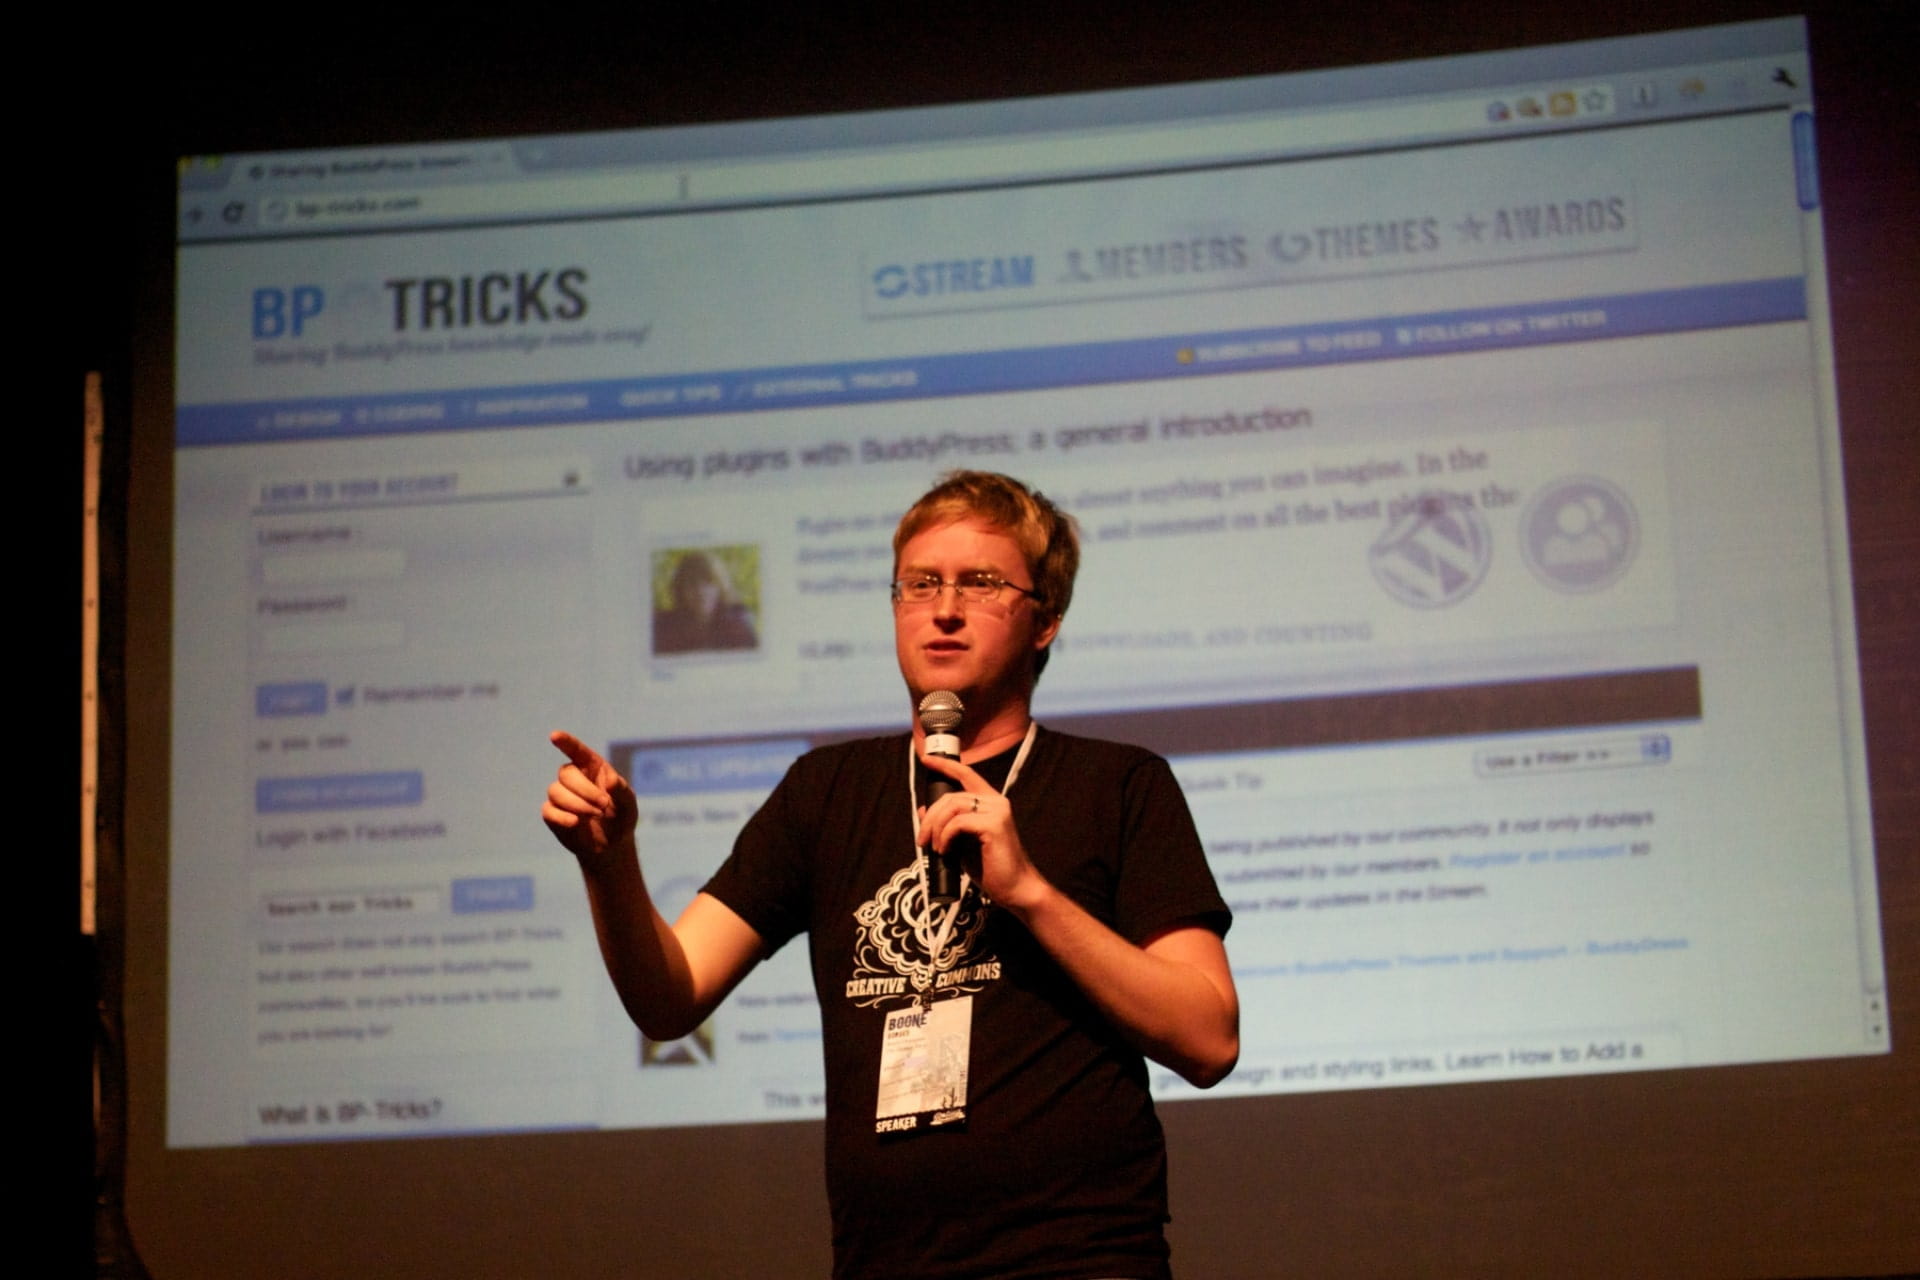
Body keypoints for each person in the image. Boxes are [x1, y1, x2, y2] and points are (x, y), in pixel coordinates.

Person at [544, 471, 1237, 1279]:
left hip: (1077, 1258)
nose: (944, 609)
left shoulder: (1117, 786)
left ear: (1045, 620)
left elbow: (1209, 1038)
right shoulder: (826, 792)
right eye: (920, 584)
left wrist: (1031, 895)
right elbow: (670, 997)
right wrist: (609, 863)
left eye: (981, 583)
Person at [651, 547, 760, 654]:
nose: (700, 591)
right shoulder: (665, 629)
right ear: (680, 590)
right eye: (692, 583)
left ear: (720, 586)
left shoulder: (739, 626)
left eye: (708, 582)